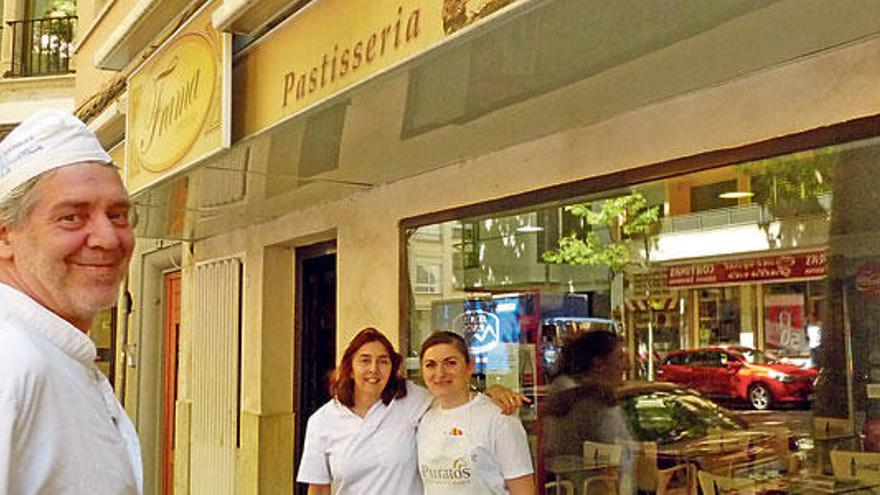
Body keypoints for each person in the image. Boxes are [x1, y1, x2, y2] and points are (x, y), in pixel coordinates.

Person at [0, 109, 142, 493]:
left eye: (117, 215)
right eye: (72, 218)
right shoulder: (12, 362)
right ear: (5, 237)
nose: (108, 239)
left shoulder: (55, 353)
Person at [296, 327, 523, 495]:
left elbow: (450, 392)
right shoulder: (322, 421)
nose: (374, 369)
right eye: (365, 361)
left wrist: (491, 391)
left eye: (383, 361)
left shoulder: (409, 399)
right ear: (350, 368)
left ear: (392, 368)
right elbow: (318, 488)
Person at [417, 331, 534, 495]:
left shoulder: (499, 418)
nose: (440, 373)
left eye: (450, 363)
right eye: (430, 365)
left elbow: (524, 490)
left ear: (469, 366)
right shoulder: (425, 418)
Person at [542, 330, 635, 494]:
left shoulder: (603, 399)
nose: (627, 366)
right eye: (620, 358)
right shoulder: (571, 393)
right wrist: (590, 390)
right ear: (598, 363)